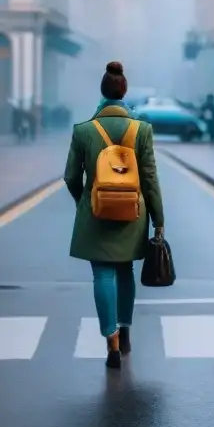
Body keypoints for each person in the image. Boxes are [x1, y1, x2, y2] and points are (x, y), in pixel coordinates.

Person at [64, 61, 165, 370]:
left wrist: (85, 202)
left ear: (102, 92)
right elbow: (150, 179)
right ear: (124, 92)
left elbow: (70, 177)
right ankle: (126, 331)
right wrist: (158, 221)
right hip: (133, 213)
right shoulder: (142, 129)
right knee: (125, 272)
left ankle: (111, 344)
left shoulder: (83, 131)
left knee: (102, 274)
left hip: (96, 213)